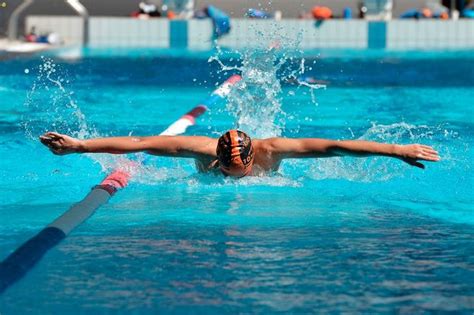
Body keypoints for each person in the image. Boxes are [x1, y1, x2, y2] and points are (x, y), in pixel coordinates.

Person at [40, 129, 440, 178]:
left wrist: (395, 149)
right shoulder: (197, 150)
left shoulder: (273, 152)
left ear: (250, 160)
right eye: (224, 166)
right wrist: (78, 147)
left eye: (236, 168)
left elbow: (336, 146)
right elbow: (138, 144)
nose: (230, 173)